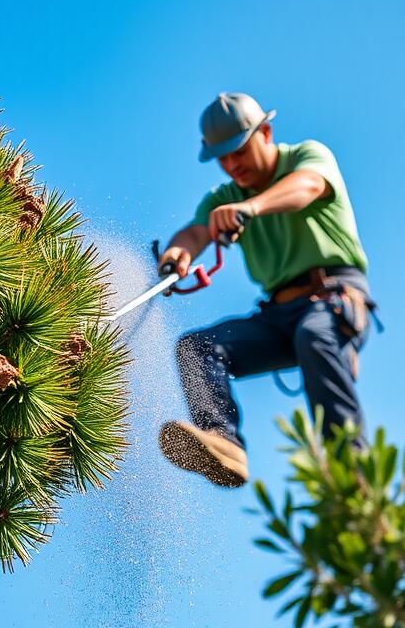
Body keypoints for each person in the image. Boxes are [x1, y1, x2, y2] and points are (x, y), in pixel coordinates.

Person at [157, 92, 375, 488]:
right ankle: (224, 443)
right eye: (222, 158)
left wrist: (252, 208)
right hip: (277, 317)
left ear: (266, 133)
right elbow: (195, 232)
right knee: (196, 348)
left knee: (315, 336)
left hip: (332, 297)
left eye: (238, 151)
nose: (231, 165)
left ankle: (352, 476)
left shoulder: (307, 158)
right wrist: (178, 254)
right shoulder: (224, 199)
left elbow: (308, 186)